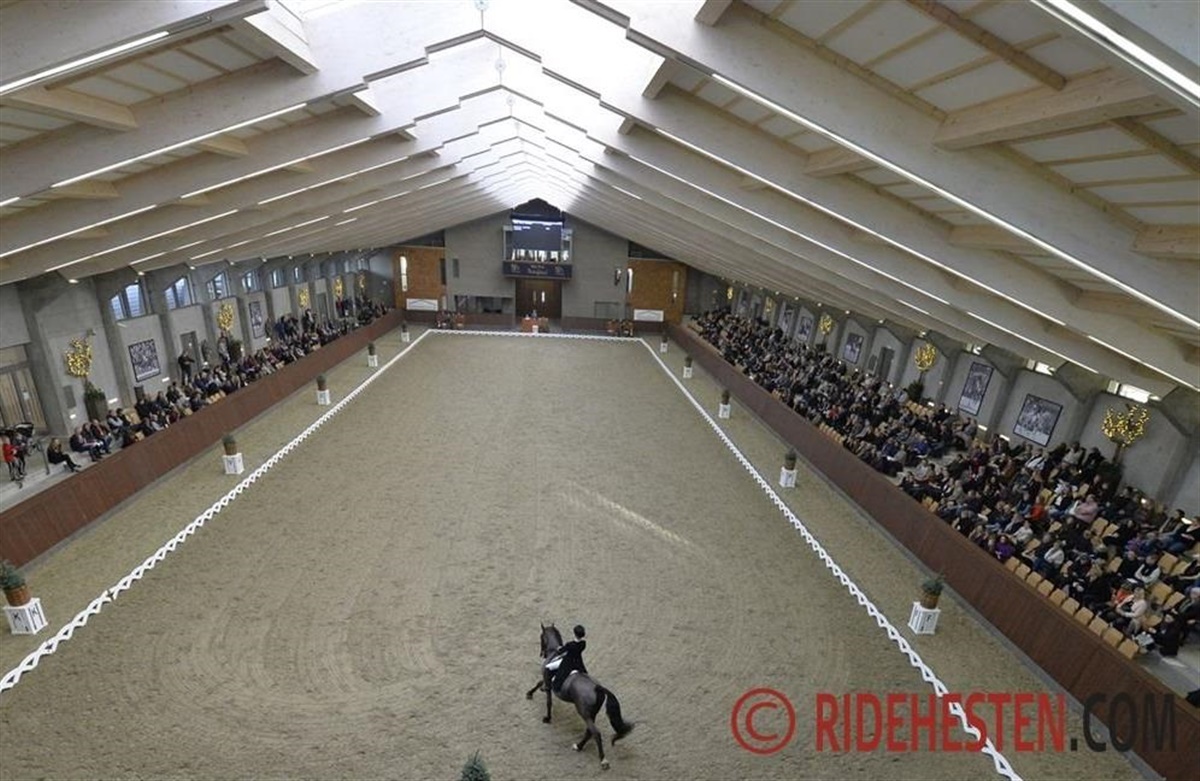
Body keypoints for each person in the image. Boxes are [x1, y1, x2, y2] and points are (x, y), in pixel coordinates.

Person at [548, 624, 588, 693]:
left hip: (568, 662)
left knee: (552, 670)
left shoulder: (570, 644)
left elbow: (561, 650)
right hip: (578, 662)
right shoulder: (583, 643)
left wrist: (559, 648)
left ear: (575, 633)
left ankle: (552, 687)